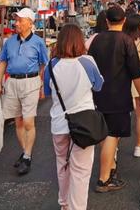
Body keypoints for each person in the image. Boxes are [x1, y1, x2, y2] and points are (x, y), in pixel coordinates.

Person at [44, 24, 104, 210]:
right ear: (80, 41)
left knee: (62, 165)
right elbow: (99, 86)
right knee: (81, 170)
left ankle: (64, 204)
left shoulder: (51, 65)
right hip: (84, 123)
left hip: (59, 123)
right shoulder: (87, 62)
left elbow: (47, 91)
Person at [88, 6, 140, 192]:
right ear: (124, 21)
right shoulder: (126, 41)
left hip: (98, 93)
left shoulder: (96, 40)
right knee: (112, 134)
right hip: (118, 95)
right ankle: (104, 179)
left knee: (106, 134)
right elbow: (136, 72)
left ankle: (110, 169)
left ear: (106, 21)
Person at [0, 8, 48, 176]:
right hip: (12, 83)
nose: (16, 23)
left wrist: (41, 86)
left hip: (31, 82)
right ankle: (26, 153)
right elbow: (3, 62)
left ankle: (26, 155)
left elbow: (43, 65)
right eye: (16, 20)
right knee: (17, 121)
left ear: (30, 23)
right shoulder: (9, 42)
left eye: (20, 20)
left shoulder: (39, 42)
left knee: (28, 122)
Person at [123, 14, 140, 158]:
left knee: (119, 115)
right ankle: (139, 146)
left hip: (122, 82)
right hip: (139, 82)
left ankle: (113, 148)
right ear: (139, 27)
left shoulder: (122, 39)